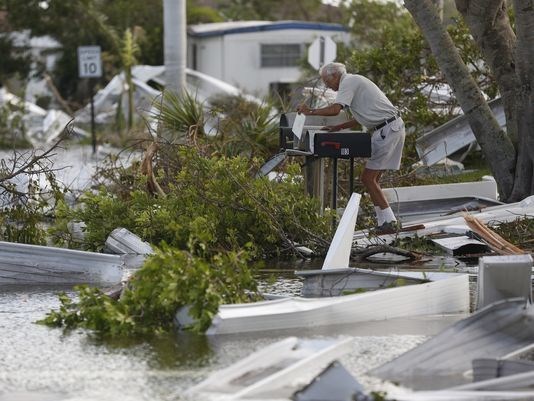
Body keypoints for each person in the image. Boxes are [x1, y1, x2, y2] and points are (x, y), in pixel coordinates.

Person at [297, 62, 406, 233]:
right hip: (391, 127)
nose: (327, 85)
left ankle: (390, 222)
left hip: (387, 130)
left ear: (335, 76)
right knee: (372, 179)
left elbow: (334, 110)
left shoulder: (348, 82)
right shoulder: (354, 81)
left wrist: (309, 111)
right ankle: (383, 222)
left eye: (327, 81)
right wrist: (338, 127)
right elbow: (364, 116)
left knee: (368, 179)